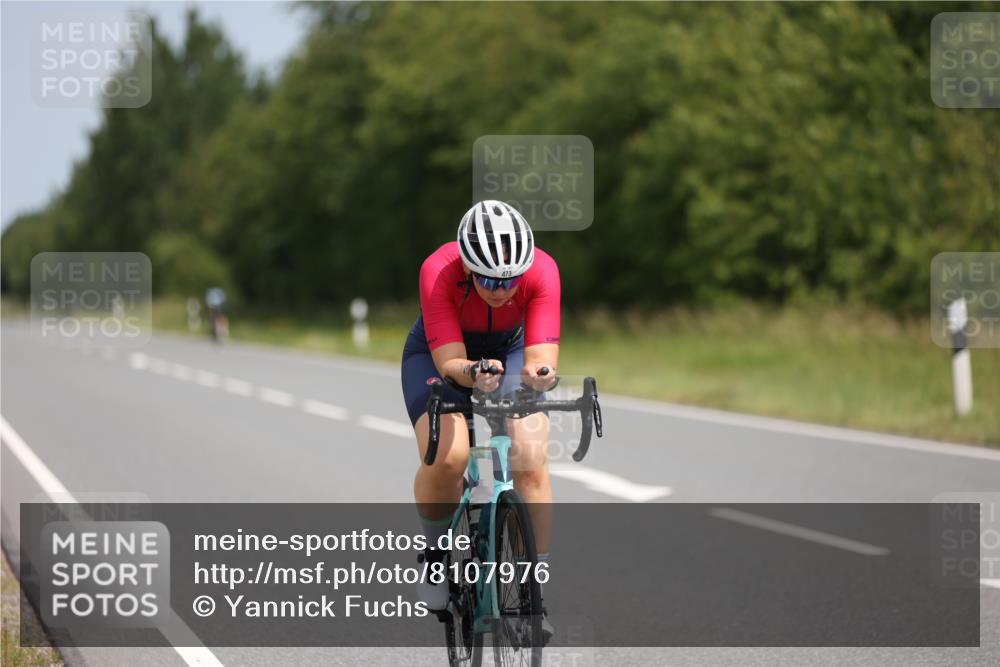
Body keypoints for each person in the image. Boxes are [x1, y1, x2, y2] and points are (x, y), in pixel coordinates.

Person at [400, 200, 559, 633]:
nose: (501, 290)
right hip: (440, 356)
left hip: (507, 350)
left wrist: (539, 376)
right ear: (468, 268)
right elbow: (451, 359)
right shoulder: (438, 269)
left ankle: (534, 591)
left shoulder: (543, 270)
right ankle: (435, 558)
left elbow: (540, 355)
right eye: (488, 279)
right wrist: (471, 374)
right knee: (448, 458)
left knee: (530, 457)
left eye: (511, 281)